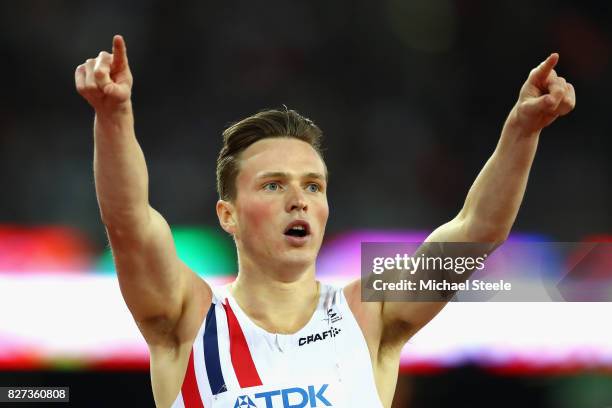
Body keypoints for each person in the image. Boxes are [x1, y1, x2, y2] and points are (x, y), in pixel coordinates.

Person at [75, 35, 576, 408]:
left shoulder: (369, 311)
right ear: (227, 215)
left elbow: (476, 232)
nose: (299, 200)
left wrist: (522, 130)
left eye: (313, 185)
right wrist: (114, 117)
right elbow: (128, 223)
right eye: (274, 185)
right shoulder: (188, 318)